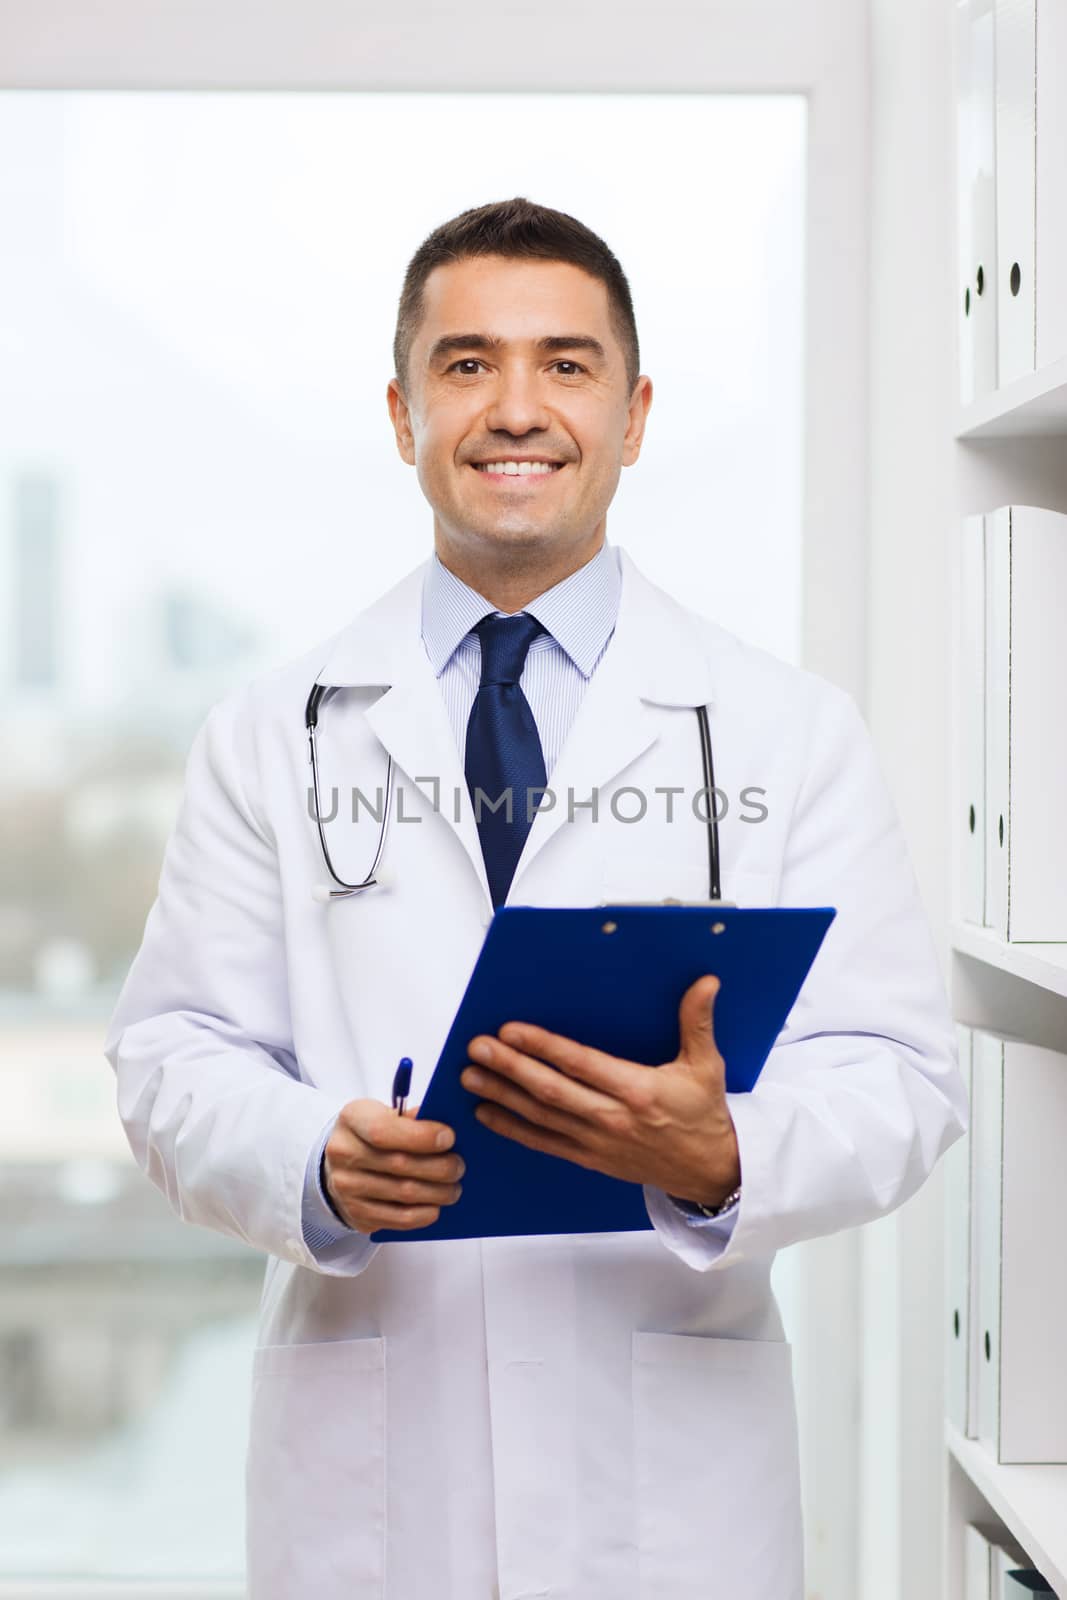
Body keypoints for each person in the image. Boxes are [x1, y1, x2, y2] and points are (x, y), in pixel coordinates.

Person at [104, 196, 967, 1600]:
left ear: (631, 415)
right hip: (375, 1484)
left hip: (668, 1494)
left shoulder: (783, 730)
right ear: (401, 414)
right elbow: (168, 1063)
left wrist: (724, 1155)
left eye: (565, 365)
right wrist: (314, 1159)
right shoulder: (275, 732)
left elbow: (902, 1080)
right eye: (467, 365)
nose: (517, 407)